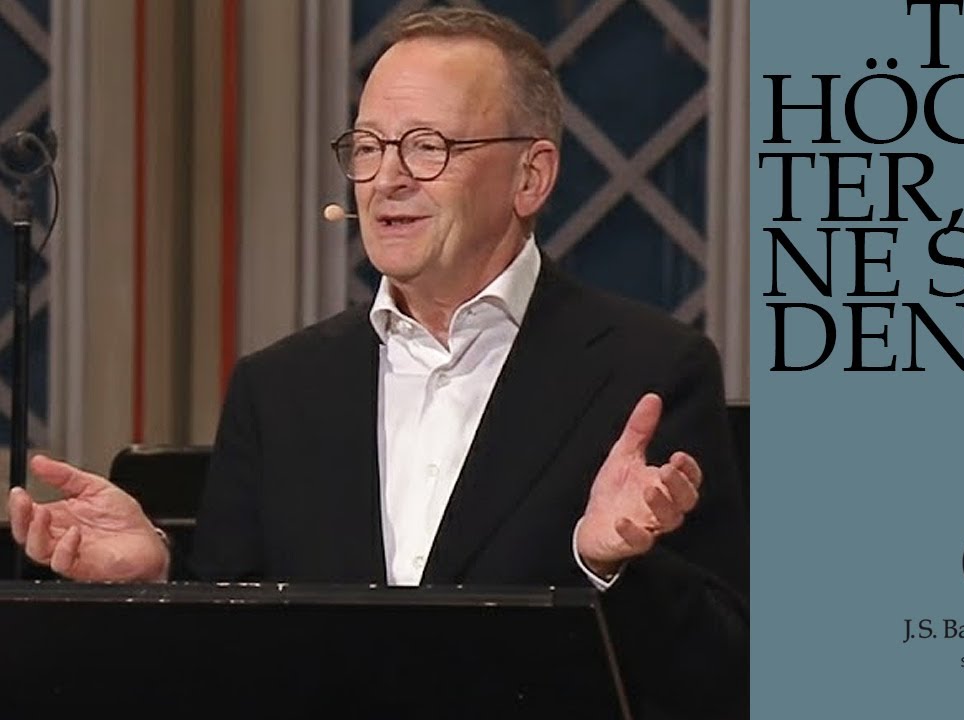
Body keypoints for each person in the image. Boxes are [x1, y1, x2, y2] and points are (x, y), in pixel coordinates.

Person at [6, 6, 746, 718]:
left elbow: (725, 677)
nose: (387, 178)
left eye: (427, 146)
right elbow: (232, 660)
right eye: (367, 147)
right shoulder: (281, 388)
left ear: (531, 176)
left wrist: (608, 566)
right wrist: (158, 578)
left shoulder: (648, 371)